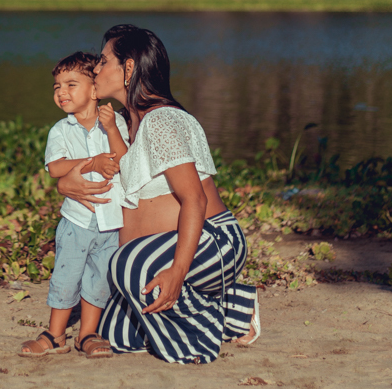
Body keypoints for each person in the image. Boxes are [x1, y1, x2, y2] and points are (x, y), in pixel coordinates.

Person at [57, 24, 260, 364]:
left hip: (212, 242)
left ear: (129, 68)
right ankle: (225, 302)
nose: (95, 68)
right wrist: (66, 184)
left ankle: (231, 313)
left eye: (104, 61)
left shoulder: (162, 120)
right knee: (114, 334)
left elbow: (194, 199)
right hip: (157, 251)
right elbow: (97, 171)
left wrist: (178, 271)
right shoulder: (124, 124)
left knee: (127, 264)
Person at [19, 51, 130, 359]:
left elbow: (123, 160)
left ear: (95, 91)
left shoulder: (116, 121)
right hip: (77, 220)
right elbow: (55, 168)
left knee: (99, 279)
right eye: (57, 87)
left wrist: (110, 130)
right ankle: (55, 335)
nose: (61, 92)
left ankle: (87, 335)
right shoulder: (61, 130)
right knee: (66, 276)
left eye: (71, 84)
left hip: (111, 221)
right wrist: (92, 162)